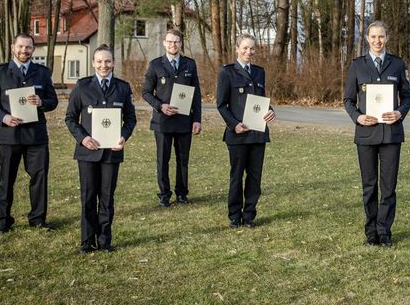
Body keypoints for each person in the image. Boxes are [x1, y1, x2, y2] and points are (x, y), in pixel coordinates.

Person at [343, 21, 410, 247]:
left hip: (391, 134)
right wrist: (358, 117)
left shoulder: (397, 64)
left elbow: (407, 97)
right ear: (367, 39)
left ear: (387, 38)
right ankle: (371, 231)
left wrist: (400, 113)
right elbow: (348, 100)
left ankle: (385, 231)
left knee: (388, 187)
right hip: (366, 134)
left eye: (381, 36)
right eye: (373, 37)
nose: (377, 41)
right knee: (369, 186)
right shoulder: (357, 66)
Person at [0, 33, 58, 233]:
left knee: (39, 178)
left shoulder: (42, 73)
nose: (24, 51)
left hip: (36, 137)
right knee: (7, 179)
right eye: (20, 47)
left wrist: (42, 102)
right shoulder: (0, 73)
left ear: (33, 49)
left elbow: (54, 101)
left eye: (28, 47)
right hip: (10, 135)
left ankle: (38, 219)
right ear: (12, 47)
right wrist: (4, 118)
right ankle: (4, 220)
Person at [65, 45, 136, 253]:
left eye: (107, 61)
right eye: (99, 61)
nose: (104, 65)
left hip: (111, 153)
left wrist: (123, 136)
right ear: (93, 63)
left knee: (107, 198)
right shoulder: (82, 86)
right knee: (88, 197)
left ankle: (105, 241)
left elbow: (130, 118)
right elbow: (70, 118)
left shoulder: (123, 87)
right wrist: (83, 138)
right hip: (88, 153)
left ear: (113, 62)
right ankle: (87, 242)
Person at [216, 34, 275, 228]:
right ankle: (234, 215)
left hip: (258, 134)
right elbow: (221, 105)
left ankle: (249, 215)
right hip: (238, 134)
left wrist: (270, 112)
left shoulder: (259, 72)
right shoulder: (227, 72)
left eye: (252, 49)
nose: (248, 52)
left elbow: (262, 101)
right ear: (237, 48)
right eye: (245, 48)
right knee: (237, 176)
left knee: (255, 177)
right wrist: (234, 124)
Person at [142, 28, 202, 207]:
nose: (172, 45)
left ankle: (182, 193)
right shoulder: (155, 65)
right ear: (164, 43)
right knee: (163, 159)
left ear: (181, 43)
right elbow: (145, 92)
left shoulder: (189, 64)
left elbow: (196, 94)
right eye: (169, 41)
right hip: (162, 122)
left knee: (183, 159)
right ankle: (164, 195)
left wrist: (197, 119)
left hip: (184, 121)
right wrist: (160, 106)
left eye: (176, 41)